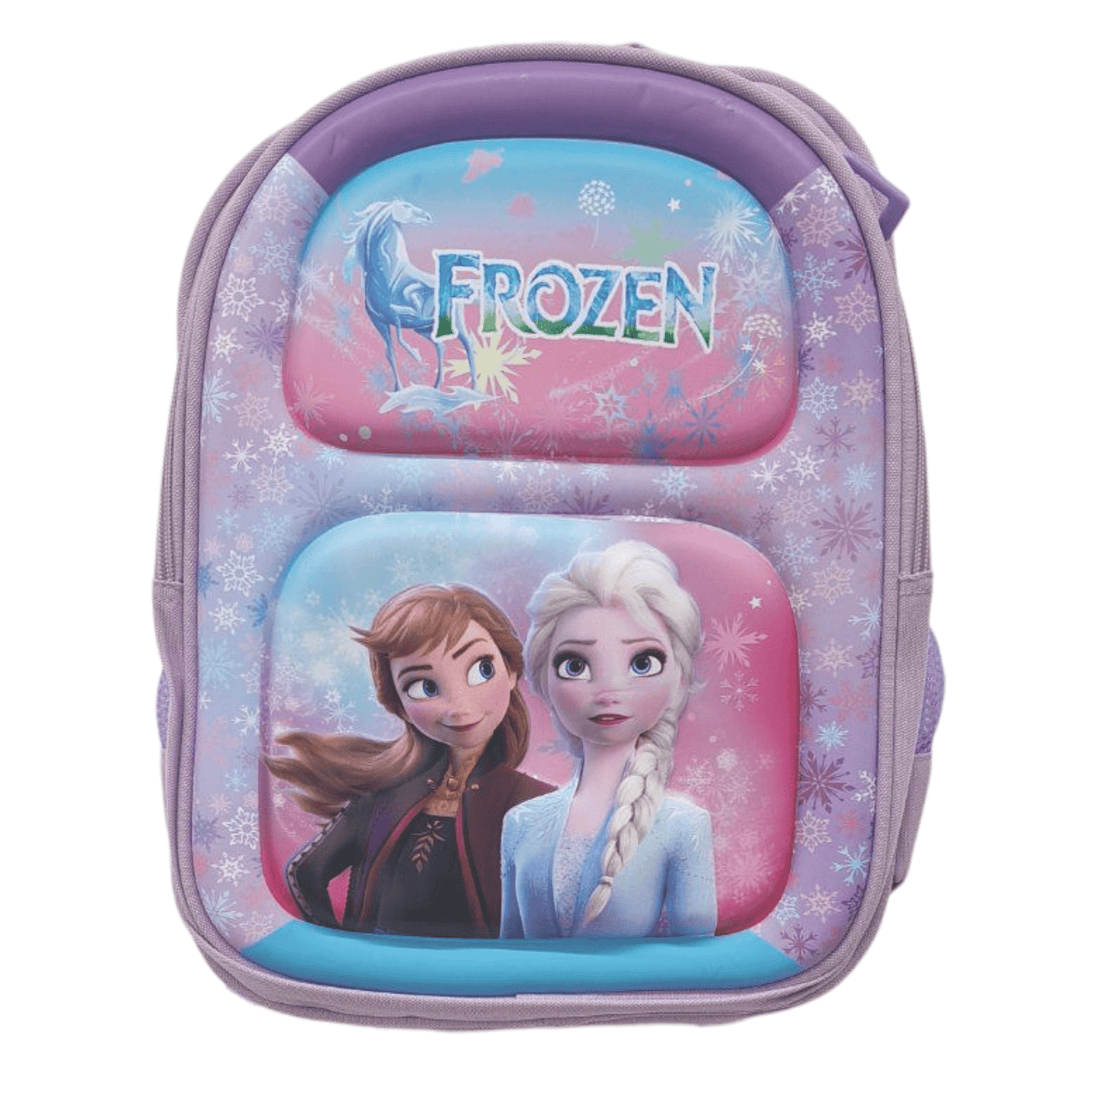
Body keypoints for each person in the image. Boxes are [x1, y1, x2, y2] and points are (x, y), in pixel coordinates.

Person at [265, 584, 552, 938]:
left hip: (483, 969)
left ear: (511, 671)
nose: (459, 706)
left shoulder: (535, 802)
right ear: (398, 703)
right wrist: (342, 948)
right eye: (423, 687)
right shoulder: (384, 798)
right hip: (381, 965)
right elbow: (305, 873)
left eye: (481, 670)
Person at [500, 541, 717, 939]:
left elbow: (696, 959)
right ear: (543, 682)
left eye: (642, 663)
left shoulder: (682, 826)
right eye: (575, 665)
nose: (608, 691)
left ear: (679, 679)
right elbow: (507, 949)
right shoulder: (521, 823)